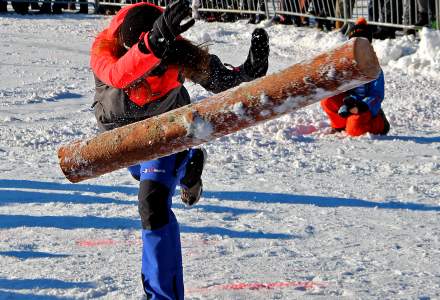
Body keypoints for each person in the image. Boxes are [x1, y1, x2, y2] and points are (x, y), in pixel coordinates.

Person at [90, 1, 270, 298]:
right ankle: (190, 168)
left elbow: (216, 78)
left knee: (153, 204)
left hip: (166, 134)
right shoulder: (105, 48)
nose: (149, 76)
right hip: (123, 140)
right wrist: (152, 46)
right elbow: (119, 75)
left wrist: (249, 72)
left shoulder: (173, 47)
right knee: (149, 178)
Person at [321, 17, 390, 137]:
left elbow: (377, 95)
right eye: (354, 42)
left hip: (364, 107)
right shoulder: (345, 63)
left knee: (355, 128)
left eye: (362, 43)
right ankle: (341, 125)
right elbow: (336, 85)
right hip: (347, 104)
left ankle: (380, 123)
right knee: (327, 100)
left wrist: (363, 106)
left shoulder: (374, 68)